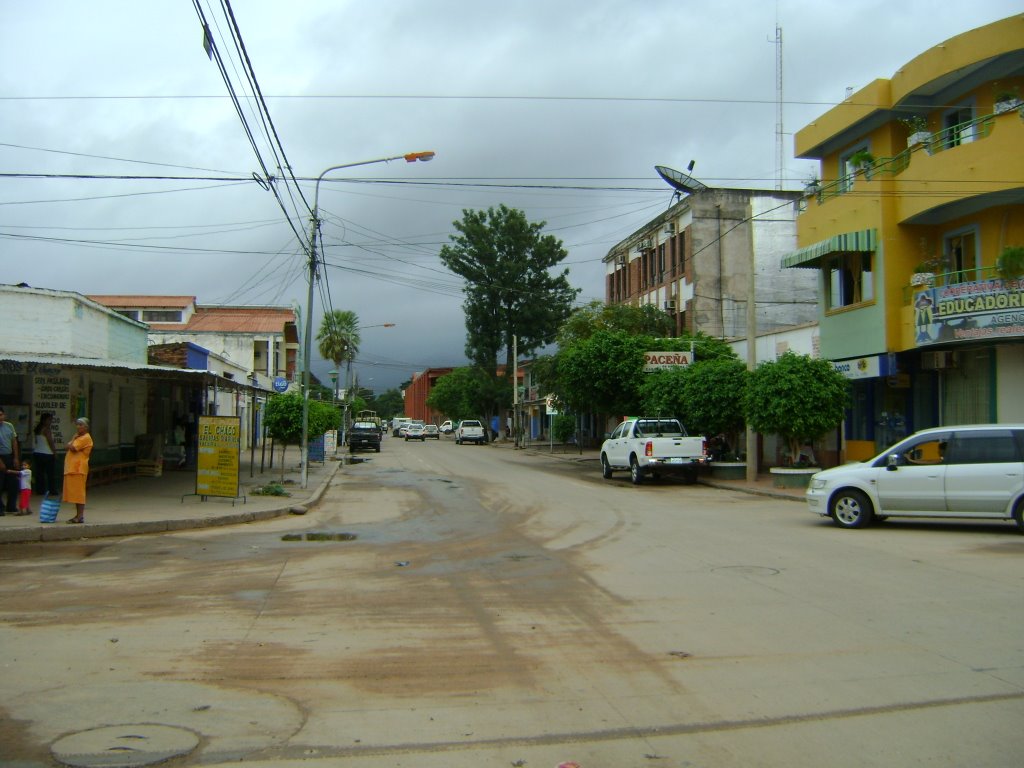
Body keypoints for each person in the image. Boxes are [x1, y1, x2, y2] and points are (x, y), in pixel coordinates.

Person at [63, 417, 93, 524]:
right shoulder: (77, 437)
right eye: (77, 425)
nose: (78, 427)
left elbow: (72, 447)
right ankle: (78, 515)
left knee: (79, 494)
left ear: (86, 427)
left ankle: (80, 516)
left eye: (81, 425)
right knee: (75, 494)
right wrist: (71, 441)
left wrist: (71, 442)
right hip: (73, 468)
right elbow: (66, 446)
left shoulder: (85, 438)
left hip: (78, 468)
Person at [0, 406, 20, 515]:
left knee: (13, 483)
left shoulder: (9, 426)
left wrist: (16, 458)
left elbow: (14, 442)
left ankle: (11, 506)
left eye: (1, 415)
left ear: (4, 415)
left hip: (9, 456)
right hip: (0, 457)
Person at [32, 412, 57, 496]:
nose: (51, 421)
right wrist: (54, 452)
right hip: (47, 454)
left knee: (39, 474)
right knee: (50, 474)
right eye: (49, 419)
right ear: (44, 420)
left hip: (37, 453)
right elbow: (50, 441)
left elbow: (36, 441)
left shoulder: (37, 429)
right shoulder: (46, 429)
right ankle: (52, 490)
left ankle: (40, 490)